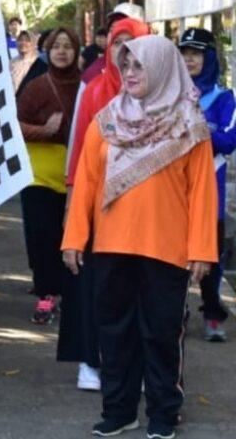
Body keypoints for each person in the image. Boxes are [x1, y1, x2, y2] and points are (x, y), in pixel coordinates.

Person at [62, 35, 216, 439]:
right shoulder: (107, 120)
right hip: (110, 247)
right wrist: (74, 238)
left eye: (139, 66)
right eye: (125, 66)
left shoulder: (189, 125)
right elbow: (87, 183)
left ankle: (163, 415)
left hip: (167, 249)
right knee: (113, 331)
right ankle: (119, 410)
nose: (128, 74)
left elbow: (202, 192)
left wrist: (202, 249)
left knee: (162, 334)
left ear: (163, 69)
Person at [59, 17, 151, 392]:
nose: (122, 51)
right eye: (116, 43)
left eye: (131, 42)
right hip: (98, 205)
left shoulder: (161, 93)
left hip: (145, 210)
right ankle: (91, 361)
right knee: (96, 284)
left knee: (140, 287)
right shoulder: (93, 90)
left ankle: (138, 363)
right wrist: (71, 207)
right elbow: (77, 150)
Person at [16, 28, 82, 324]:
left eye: (68, 46)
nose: (62, 52)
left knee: (70, 236)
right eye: (56, 46)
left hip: (76, 174)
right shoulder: (36, 86)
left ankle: (71, 294)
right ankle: (45, 295)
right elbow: (13, 125)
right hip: (39, 175)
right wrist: (43, 131)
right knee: (41, 237)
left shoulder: (86, 86)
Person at [178, 27, 236, 343]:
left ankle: (213, 313)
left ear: (209, 57)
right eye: (184, 53)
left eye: (196, 53)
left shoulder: (223, 97)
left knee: (210, 256)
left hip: (210, 191)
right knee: (173, 255)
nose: (189, 60)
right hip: (173, 190)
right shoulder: (167, 92)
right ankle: (177, 313)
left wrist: (196, 128)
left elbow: (229, 139)